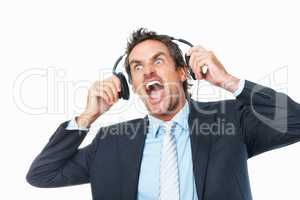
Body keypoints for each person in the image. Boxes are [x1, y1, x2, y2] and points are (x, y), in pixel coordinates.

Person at [26, 28, 300, 200]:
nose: (148, 72)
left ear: (183, 71)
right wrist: (86, 117)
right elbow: (42, 175)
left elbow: (295, 121)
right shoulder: (111, 141)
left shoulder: (231, 120)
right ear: (130, 86)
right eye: (137, 67)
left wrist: (228, 81)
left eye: (158, 60)